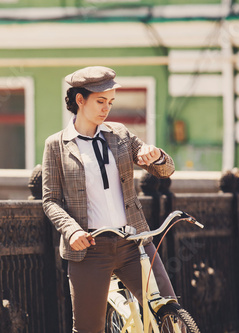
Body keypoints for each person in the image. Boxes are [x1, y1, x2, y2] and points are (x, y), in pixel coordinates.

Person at [42, 66, 176, 333]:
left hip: (135, 243)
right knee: (89, 328)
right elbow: (50, 200)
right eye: (100, 101)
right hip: (89, 250)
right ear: (80, 100)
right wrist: (71, 230)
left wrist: (156, 155)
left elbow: (165, 170)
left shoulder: (120, 135)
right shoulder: (56, 145)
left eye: (110, 102)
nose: (107, 109)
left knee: (169, 311)